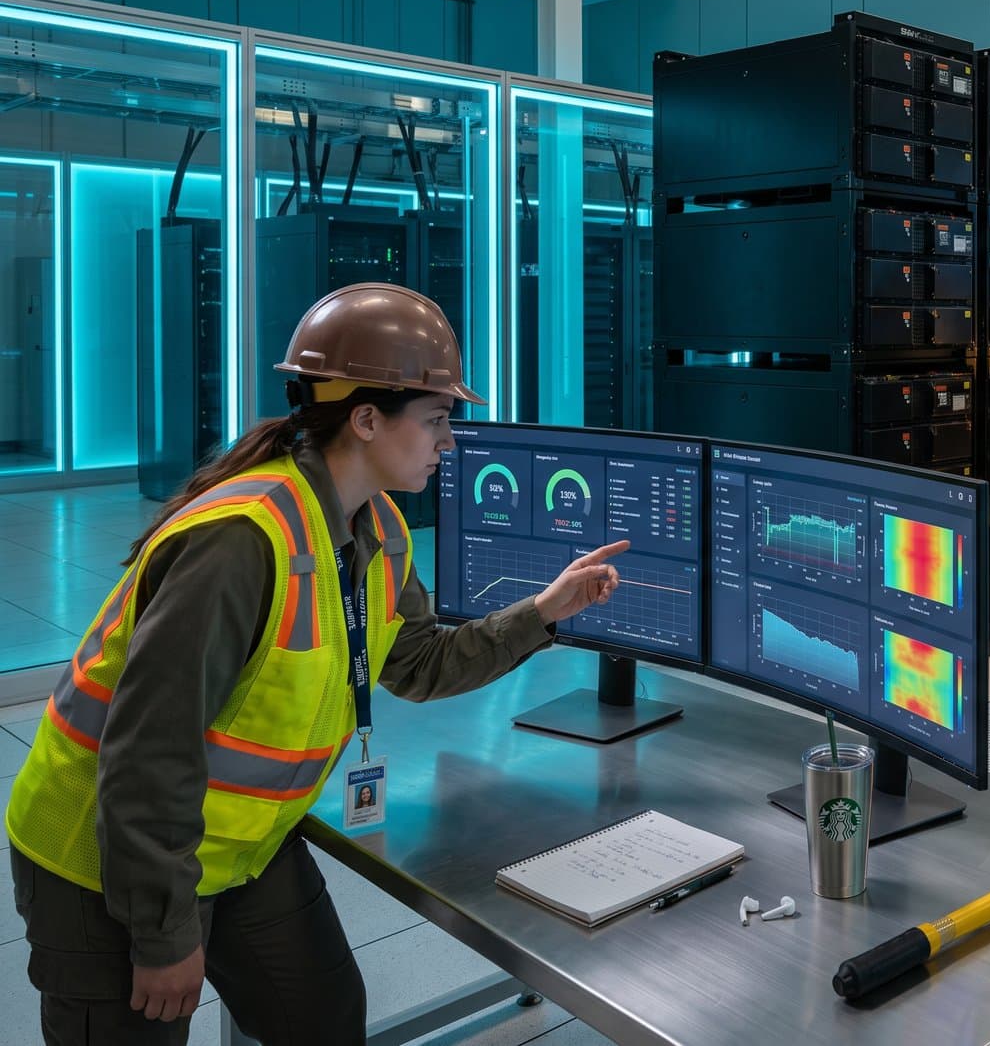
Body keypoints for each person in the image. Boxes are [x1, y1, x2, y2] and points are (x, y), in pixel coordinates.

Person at [6, 284, 628, 1045]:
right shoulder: (240, 540)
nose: (449, 443)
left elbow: (419, 662)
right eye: (436, 419)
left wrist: (544, 611)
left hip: (237, 843)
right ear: (366, 419)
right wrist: (165, 936)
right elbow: (148, 754)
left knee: (323, 1016)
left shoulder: (379, 527)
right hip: (107, 858)